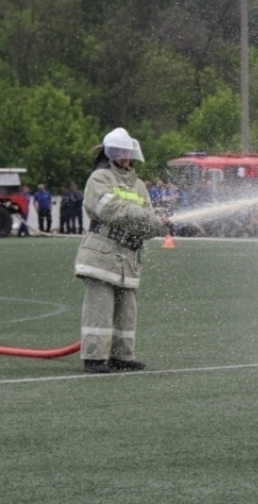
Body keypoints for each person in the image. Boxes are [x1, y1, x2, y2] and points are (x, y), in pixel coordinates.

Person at [74, 127, 169, 374]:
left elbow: (148, 219)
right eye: (117, 152)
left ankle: (121, 356)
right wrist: (149, 220)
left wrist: (161, 222)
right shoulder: (99, 179)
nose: (123, 157)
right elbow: (112, 210)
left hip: (128, 257)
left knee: (127, 310)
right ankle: (94, 358)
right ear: (107, 153)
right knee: (100, 309)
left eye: (126, 152)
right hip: (101, 254)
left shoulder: (139, 185)